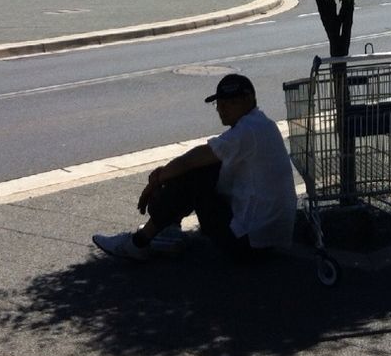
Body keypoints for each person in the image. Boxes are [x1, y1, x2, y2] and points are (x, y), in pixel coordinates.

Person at [92, 73, 297, 262]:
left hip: (249, 243)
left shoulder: (248, 131)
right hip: (266, 238)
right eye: (219, 103)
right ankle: (166, 231)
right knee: (201, 168)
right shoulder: (262, 125)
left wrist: (157, 180)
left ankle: (139, 243)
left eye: (230, 103)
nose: (221, 109)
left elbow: (190, 161)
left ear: (248, 100)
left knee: (194, 174)